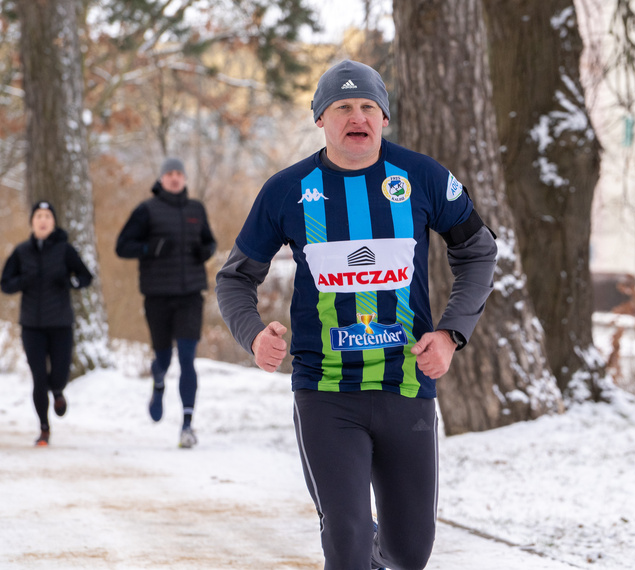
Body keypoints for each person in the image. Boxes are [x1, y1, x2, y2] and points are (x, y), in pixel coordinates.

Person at [216, 60, 498, 570]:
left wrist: (452, 333)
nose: (357, 115)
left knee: (409, 552)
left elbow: (478, 251)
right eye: (342, 106)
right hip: (325, 390)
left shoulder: (423, 177)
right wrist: (254, 335)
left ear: (384, 118)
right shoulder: (287, 190)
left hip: (406, 385)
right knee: (345, 541)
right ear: (320, 119)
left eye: (368, 106)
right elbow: (235, 277)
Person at [116, 158, 217, 449]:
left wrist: (205, 251)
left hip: (190, 295)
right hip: (157, 296)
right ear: (161, 179)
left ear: (184, 179)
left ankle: (187, 425)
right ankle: (158, 382)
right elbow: (122, 246)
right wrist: (150, 248)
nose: (174, 178)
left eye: (179, 174)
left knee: (187, 358)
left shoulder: (196, 209)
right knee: (164, 359)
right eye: (169, 174)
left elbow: (210, 242)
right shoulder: (147, 210)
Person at [1, 201, 93, 446]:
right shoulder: (21, 252)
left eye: (47, 216)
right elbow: (5, 283)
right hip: (32, 325)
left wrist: (69, 282)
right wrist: (22, 281)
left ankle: (59, 391)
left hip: (61, 323)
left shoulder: (65, 250)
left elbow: (86, 277)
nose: (43, 220)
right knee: (38, 377)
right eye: (38, 216)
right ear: (32, 222)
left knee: (60, 375)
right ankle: (44, 428)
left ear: (53, 222)